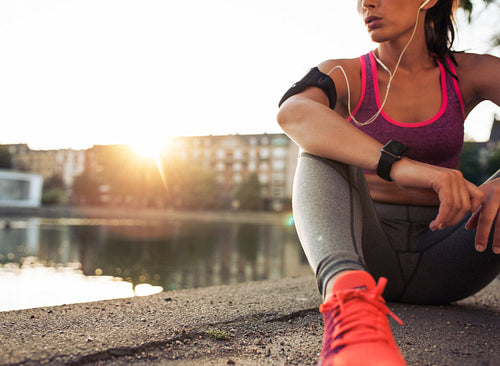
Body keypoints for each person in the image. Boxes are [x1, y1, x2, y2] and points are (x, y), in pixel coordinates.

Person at [276, 0, 500, 365]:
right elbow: (292, 112)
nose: (367, 2)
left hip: (453, 258)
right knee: (319, 140)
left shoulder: (471, 71)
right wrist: (400, 166)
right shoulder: (345, 74)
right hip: (365, 253)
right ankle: (350, 317)